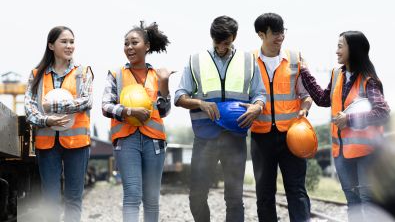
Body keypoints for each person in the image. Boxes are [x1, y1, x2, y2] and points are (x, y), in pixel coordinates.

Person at [175, 15, 265, 222]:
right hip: (205, 138)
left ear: (234, 37)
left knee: (234, 198)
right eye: (218, 42)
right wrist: (200, 103)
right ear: (211, 38)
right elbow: (179, 96)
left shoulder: (249, 61)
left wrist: (257, 107)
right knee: (196, 196)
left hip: (235, 137)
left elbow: (259, 93)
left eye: (227, 43)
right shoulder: (195, 60)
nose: (222, 47)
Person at [299, 30, 390, 222]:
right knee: (353, 203)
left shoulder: (368, 80)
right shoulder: (336, 74)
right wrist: (304, 71)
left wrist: (349, 119)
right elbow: (323, 99)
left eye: (341, 46)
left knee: (367, 201)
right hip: (341, 153)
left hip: (367, 152)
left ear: (353, 49)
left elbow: (382, 112)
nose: (336, 51)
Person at [102, 21, 172, 222]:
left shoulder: (157, 75)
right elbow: (105, 106)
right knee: (132, 195)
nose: (129, 48)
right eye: (126, 44)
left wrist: (165, 85)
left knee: (151, 199)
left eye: (134, 43)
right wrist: (128, 111)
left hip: (154, 143)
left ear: (147, 46)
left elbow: (164, 111)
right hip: (126, 141)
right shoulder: (116, 74)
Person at [24, 26, 93, 222]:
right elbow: (29, 109)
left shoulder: (83, 72)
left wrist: (52, 106)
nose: (69, 46)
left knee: (73, 199)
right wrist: (46, 120)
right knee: (50, 200)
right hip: (47, 145)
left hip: (77, 144)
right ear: (51, 45)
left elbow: (87, 101)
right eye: (64, 41)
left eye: (72, 41)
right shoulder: (36, 74)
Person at [250, 13, 313, 222]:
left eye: (282, 31)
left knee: (297, 190)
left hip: (292, 136)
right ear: (261, 34)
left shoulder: (295, 59)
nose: (280, 37)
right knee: (264, 193)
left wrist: (304, 109)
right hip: (261, 136)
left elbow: (306, 95)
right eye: (274, 33)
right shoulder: (248, 61)